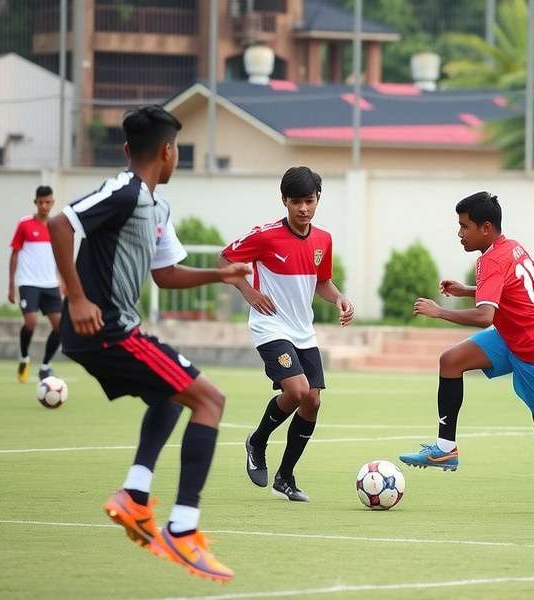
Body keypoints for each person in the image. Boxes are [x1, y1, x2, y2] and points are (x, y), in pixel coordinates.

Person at [48, 105, 251, 581]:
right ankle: (183, 531)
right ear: (167, 151)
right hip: (106, 332)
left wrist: (219, 274)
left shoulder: (156, 206)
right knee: (210, 401)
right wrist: (76, 298)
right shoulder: (126, 190)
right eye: (177, 148)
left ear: (127, 148)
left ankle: (135, 495)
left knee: (171, 396)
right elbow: (60, 224)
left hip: (116, 331)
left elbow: (165, 273)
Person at [399, 192, 534, 514]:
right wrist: (472, 290)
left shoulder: (490, 259)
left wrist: (440, 311)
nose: (459, 233)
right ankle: (445, 448)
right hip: (510, 338)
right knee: (450, 361)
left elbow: (485, 315)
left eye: (464, 226)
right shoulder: (510, 247)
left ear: (485, 228)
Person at [219, 166, 354, 502]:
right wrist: (250, 293)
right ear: (284, 200)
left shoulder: (323, 239)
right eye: (296, 202)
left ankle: (286, 476)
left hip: (302, 331)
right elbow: (225, 261)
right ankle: (257, 440)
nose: (303, 208)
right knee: (297, 390)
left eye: (309, 201)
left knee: (312, 400)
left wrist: (338, 298)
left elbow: (322, 282)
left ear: (317, 199)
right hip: (270, 326)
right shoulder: (265, 236)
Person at [8, 185, 63, 382]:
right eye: (40, 202)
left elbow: (60, 256)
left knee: (60, 327)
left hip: (50, 284)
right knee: (30, 322)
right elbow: (14, 254)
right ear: (35, 202)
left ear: (52, 203)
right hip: (28, 282)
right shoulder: (24, 225)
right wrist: (11, 285)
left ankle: (45, 366)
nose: (44, 206)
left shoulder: (57, 226)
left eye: (48, 202)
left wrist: (63, 281)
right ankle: (24, 358)